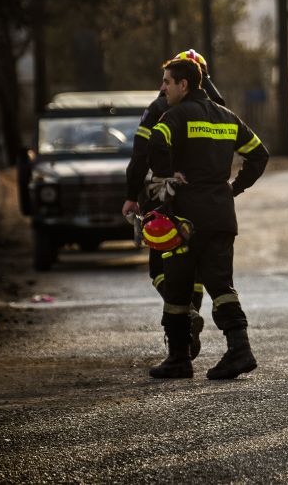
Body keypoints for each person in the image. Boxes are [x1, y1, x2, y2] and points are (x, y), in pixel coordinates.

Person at [145, 58, 269, 379]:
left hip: (185, 216)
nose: (163, 88)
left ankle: (179, 357)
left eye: (167, 82)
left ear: (183, 85)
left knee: (177, 286)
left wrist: (165, 177)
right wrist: (234, 188)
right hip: (220, 213)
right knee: (220, 284)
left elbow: (156, 140)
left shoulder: (175, 116)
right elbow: (259, 154)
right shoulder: (227, 116)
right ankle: (240, 350)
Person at [122, 49, 225, 361]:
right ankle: (185, 334)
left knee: (161, 267)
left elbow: (141, 154)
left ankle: (182, 328)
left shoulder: (159, 108)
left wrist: (132, 194)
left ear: (183, 82)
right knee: (194, 269)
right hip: (206, 203)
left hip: (163, 199)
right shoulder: (216, 108)